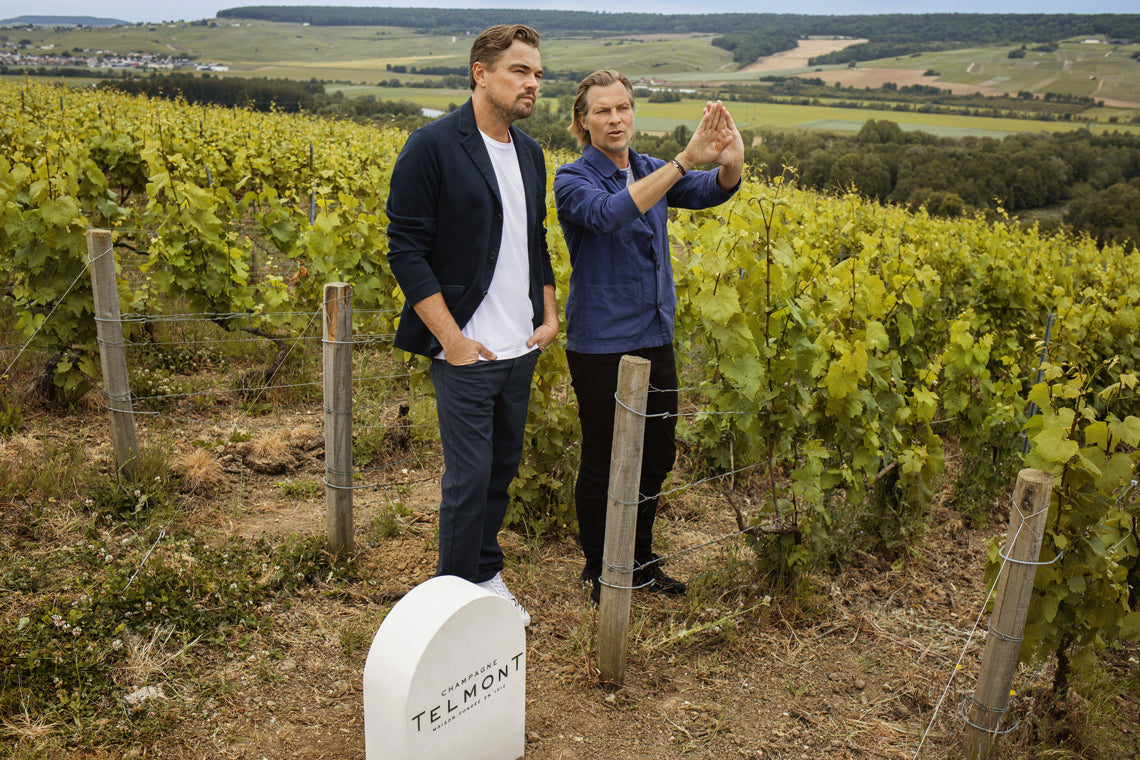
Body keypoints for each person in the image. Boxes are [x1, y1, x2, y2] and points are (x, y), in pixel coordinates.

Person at [385, 24, 558, 626]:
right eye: (520, 71)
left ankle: (483, 574)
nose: (533, 83)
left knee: (501, 470)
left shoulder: (532, 153)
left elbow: (534, 241)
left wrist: (550, 311)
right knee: (469, 479)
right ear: (480, 73)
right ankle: (452, 612)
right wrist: (451, 340)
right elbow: (405, 249)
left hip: (521, 345)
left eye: (537, 73)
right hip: (467, 348)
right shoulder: (432, 145)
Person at [553, 70, 743, 604]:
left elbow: (713, 191)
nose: (615, 119)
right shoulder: (573, 179)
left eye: (623, 108)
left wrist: (730, 155)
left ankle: (637, 559)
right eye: (602, 111)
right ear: (582, 121)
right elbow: (610, 215)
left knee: (657, 454)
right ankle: (599, 568)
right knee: (603, 456)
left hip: (654, 336)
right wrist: (685, 159)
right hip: (600, 344)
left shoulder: (649, 168)